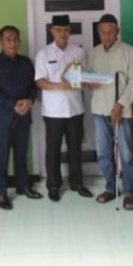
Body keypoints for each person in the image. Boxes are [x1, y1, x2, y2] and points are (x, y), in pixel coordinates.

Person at [0, 25, 43, 210]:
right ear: (1, 42)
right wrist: (13, 104)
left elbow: (34, 86)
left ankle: (22, 185)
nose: (13, 43)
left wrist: (30, 101)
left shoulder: (26, 63)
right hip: (3, 119)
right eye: (8, 39)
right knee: (2, 156)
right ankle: (0, 192)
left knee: (21, 154)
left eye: (16, 39)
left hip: (23, 116)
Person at [34, 14, 93, 202]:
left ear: (70, 31)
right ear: (52, 31)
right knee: (53, 149)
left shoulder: (78, 51)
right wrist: (60, 86)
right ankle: (53, 185)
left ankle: (77, 183)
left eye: (66, 30)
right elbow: (40, 82)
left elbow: (84, 76)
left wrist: (82, 82)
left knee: (75, 148)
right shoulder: (44, 53)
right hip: (53, 112)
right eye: (59, 30)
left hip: (75, 109)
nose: (63, 33)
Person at [88, 14, 133, 210]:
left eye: (110, 32)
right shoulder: (93, 53)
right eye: (103, 32)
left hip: (122, 111)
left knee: (126, 154)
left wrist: (119, 105)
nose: (107, 36)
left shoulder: (129, 52)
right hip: (100, 109)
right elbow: (89, 79)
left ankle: (130, 192)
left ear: (117, 31)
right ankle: (110, 188)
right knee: (103, 153)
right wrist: (88, 83)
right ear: (98, 32)